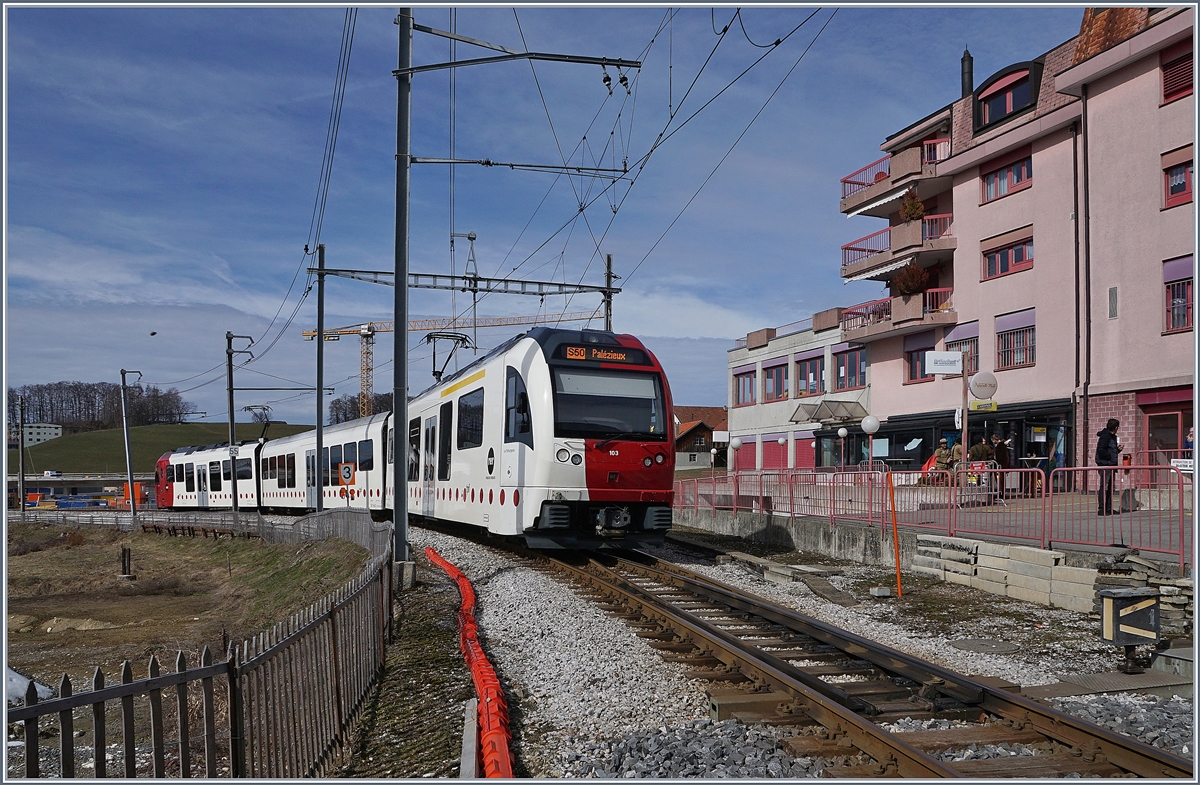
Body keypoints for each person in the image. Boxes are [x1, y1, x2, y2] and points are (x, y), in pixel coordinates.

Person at [1095, 418, 1121, 516]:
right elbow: (1101, 450)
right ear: (1116, 427)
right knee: (1104, 486)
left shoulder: (1112, 437)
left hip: (1111, 464)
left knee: (1110, 487)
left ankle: (1109, 508)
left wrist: (1118, 450)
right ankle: (1102, 509)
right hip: (1105, 464)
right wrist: (1109, 458)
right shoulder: (1105, 437)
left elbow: (1111, 450)